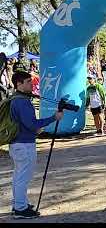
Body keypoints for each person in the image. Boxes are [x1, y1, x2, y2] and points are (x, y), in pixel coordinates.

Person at [8, 70, 64, 219]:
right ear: (18, 84)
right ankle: (20, 209)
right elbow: (32, 124)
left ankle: (18, 204)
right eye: (27, 82)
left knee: (18, 175)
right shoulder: (22, 102)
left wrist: (36, 128)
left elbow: (27, 124)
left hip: (18, 143)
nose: (31, 84)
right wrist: (53, 118)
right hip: (24, 144)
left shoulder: (15, 99)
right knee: (22, 177)